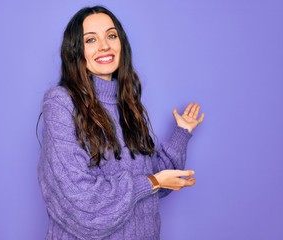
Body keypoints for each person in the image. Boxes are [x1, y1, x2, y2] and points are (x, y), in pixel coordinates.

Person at [38, 5, 204, 240]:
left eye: (111, 35)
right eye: (91, 40)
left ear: (121, 44)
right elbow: (82, 202)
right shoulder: (62, 102)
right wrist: (152, 182)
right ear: (76, 50)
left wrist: (182, 133)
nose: (104, 45)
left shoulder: (127, 104)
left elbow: (154, 185)